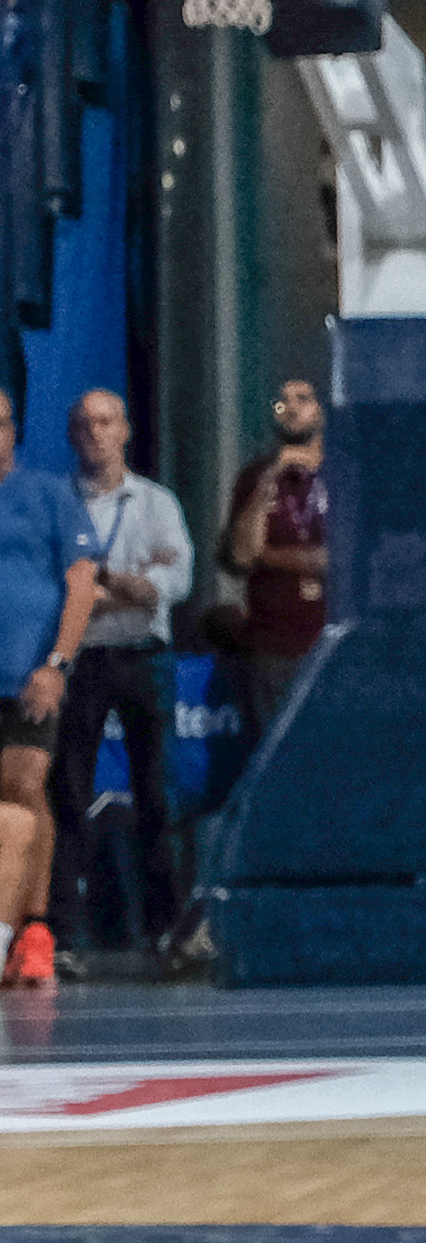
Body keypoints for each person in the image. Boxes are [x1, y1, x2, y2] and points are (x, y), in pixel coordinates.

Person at [51, 388, 186, 954]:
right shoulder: (56, 503)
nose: (95, 433)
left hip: (142, 656)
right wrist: (125, 585)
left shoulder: (155, 503)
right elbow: (57, 593)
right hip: (80, 660)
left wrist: (102, 585)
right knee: (69, 791)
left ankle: (165, 928)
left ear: (126, 430)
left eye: (106, 422)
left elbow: (172, 586)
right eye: (84, 424)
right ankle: (61, 927)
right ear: (71, 434)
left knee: (157, 793)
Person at [0, 387, 95, 986]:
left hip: (28, 673)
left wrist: (56, 663)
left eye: (0, 424)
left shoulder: (49, 495)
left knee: (22, 790)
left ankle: (28, 931)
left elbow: (82, 583)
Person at [222, 375, 327, 728]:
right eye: (283, 402)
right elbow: (241, 555)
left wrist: (271, 557)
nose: (292, 408)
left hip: (330, 640)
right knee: (271, 751)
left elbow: (343, 559)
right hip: (273, 644)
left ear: (321, 409)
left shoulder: (344, 472)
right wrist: (272, 476)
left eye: (303, 399)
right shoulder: (256, 476)